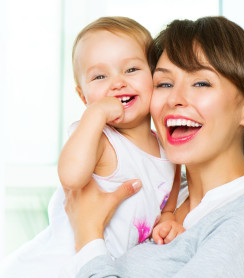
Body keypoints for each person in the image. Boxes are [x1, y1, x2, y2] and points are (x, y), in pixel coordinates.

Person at [63, 16, 244, 278]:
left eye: (201, 83)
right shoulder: (160, 187)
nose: (175, 98)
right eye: (164, 83)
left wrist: (88, 238)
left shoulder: (243, 223)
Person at [0, 16, 183, 278]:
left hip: (101, 267)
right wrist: (95, 116)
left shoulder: (168, 148)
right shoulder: (98, 137)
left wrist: (167, 219)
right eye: (99, 76)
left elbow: (168, 203)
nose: (117, 82)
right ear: (83, 96)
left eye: (131, 69)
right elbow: (71, 177)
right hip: (55, 267)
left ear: (154, 76)